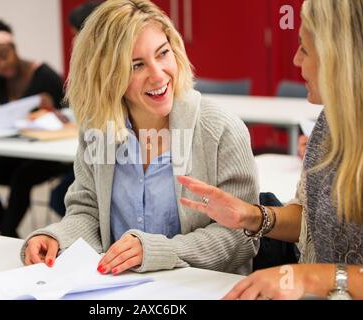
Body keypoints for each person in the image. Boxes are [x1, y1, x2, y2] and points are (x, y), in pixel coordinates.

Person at [22, 0, 260, 275]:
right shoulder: (98, 129)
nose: (158, 75)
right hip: (120, 290)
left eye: (162, 54)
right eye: (136, 65)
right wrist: (56, 237)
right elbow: (87, 209)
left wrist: (159, 251)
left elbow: (242, 236)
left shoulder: (220, 129)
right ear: (108, 76)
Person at [178, 0, 363, 300]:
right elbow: (312, 220)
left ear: (338, 56)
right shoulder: (330, 123)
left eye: (304, 48)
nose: (295, 60)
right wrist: (251, 216)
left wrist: (310, 277)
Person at [0, 20, 73, 238]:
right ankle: (11, 236)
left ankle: (5, 236)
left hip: (53, 155)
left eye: (4, 55)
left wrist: (52, 111)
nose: (1, 64)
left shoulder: (43, 74)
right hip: (20, 152)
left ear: (14, 48)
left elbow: (74, 115)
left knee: (21, 177)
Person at [49, 0, 101, 217]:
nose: (73, 40)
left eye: (76, 34)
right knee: (60, 196)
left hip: (108, 156)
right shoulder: (86, 69)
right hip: (90, 152)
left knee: (60, 197)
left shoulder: (109, 71)